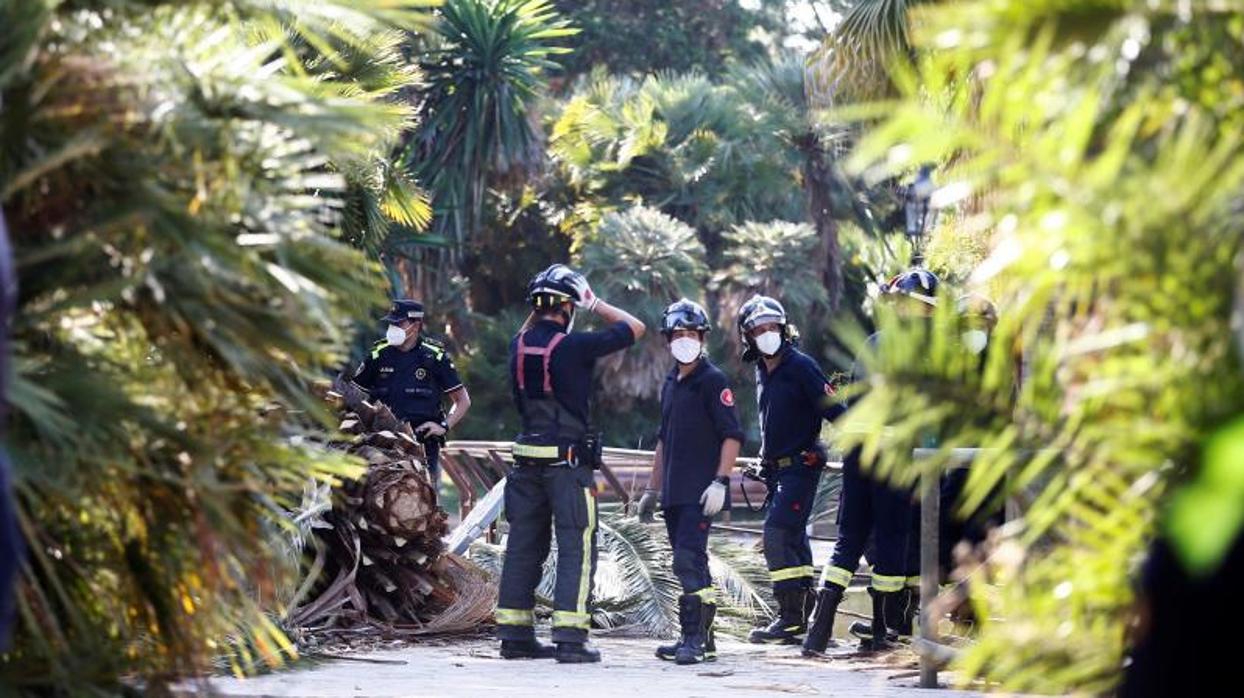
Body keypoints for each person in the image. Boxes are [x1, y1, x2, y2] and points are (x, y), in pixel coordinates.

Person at [495, 264, 645, 663]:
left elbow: (529, 328)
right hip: (567, 466)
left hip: (524, 464)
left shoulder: (518, 345)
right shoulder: (574, 346)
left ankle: (514, 635)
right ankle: (570, 638)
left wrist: (544, 292)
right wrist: (592, 302)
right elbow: (636, 327)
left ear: (536, 306)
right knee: (577, 546)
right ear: (569, 306)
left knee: (523, 547)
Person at [803, 268, 938, 656]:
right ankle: (883, 631)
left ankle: (819, 629)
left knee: (849, 537)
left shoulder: (874, 343)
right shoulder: (926, 354)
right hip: (896, 454)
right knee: (893, 539)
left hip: (859, 450)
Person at [637, 299, 743, 665]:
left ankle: (693, 640)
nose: (685, 339)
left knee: (687, 561)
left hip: (702, 493)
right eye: (678, 334)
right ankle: (704, 640)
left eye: (692, 334)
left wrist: (721, 482)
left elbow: (732, 435)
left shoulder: (712, 381)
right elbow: (663, 439)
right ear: (668, 339)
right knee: (690, 563)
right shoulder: (670, 382)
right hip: (673, 494)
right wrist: (651, 490)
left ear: (702, 337)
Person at [737, 295, 843, 645]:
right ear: (748, 337)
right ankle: (801, 618)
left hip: (802, 466)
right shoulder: (762, 371)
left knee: (777, 534)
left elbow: (835, 410)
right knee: (793, 539)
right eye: (759, 329)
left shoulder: (801, 366)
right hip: (778, 470)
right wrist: (766, 459)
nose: (767, 334)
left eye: (773, 327)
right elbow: (776, 422)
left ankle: (790, 616)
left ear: (785, 330)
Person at [353, 299, 471, 489]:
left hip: (423, 446)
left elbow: (462, 400)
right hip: (382, 445)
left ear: (416, 326)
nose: (392, 327)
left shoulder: (435, 357)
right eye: (391, 323)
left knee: (424, 505)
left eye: (399, 323)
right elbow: (355, 396)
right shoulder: (378, 354)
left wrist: (444, 426)